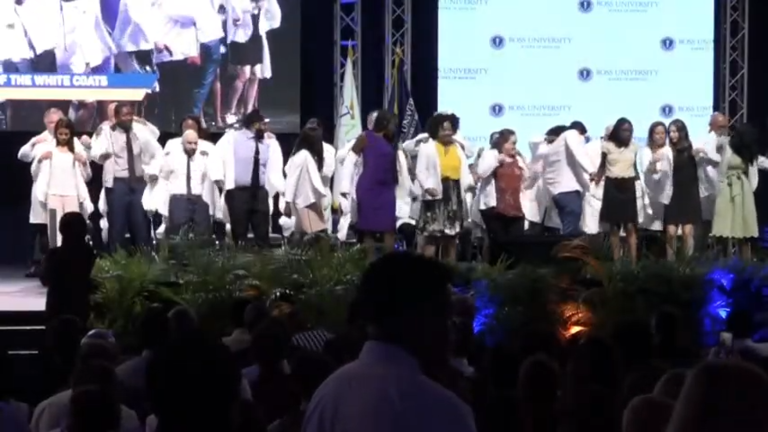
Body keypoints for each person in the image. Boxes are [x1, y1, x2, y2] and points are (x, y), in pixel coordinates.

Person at [303, 252, 476, 432]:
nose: (452, 331)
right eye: (446, 316)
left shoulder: (328, 395)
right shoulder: (445, 411)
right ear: (422, 318)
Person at [90, 103, 163, 252]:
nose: (128, 118)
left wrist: (140, 121)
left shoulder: (140, 130)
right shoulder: (106, 131)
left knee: (141, 225)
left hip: (139, 183)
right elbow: (95, 150)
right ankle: (115, 263)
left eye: (130, 114)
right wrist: (102, 155)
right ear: (116, 117)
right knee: (117, 226)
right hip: (117, 184)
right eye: (125, 115)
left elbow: (156, 136)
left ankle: (145, 263)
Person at [217, 108, 285, 246]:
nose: (266, 127)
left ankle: (262, 262)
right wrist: (220, 181)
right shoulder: (232, 138)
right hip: (238, 193)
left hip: (260, 192)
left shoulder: (268, 141)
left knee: (262, 233)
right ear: (254, 125)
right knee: (240, 235)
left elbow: (274, 165)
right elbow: (216, 157)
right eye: (263, 124)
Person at [341, 111, 400, 259]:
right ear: (385, 124)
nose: (395, 128)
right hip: (368, 189)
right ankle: (370, 266)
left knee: (389, 229)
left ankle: (390, 266)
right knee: (368, 230)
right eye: (393, 124)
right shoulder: (365, 137)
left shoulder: (389, 142)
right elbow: (349, 160)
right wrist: (344, 188)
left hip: (386, 191)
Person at [416, 113, 473, 262]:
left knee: (451, 238)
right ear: (435, 130)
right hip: (435, 195)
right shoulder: (427, 147)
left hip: (454, 195)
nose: (448, 133)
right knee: (432, 237)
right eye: (443, 130)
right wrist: (427, 187)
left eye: (450, 129)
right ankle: (428, 272)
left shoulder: (458, 148)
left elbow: (470, 154)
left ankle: (450, 273)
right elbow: (420, 171)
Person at [18, 109, 66, 277]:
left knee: (57, 229)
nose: (55, 125)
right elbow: (22, 156)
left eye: (58, 121)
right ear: (46, 123)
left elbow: (85, 157)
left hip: (61, 191)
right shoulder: (41, 140)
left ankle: (57, 265)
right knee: (38, 229)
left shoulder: (68, 137)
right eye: (52, 122)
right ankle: (33, 265)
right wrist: (33, 142)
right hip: (40, 191)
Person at [32, 118, 94, 247]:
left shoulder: (76, 152)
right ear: (56, 133)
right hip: (53, 196)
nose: (63, 137)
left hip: (72, 196)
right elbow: (34, 174)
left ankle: (73, 258)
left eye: (66, 134)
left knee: (73, 230)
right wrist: (39, 160)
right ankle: (56, 258)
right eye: (60, 134)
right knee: (54, 232)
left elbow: (87, 177)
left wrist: (84, 163)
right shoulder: (49, 151)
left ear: (70, 133)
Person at [159, 116, 225, 232]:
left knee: (202, 234)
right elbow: (164, 172)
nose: (189, 130)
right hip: (178, 196)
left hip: (201, 197)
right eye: (186, 128)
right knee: (177, 234)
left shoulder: (208, 147)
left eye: (192, 128)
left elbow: (216, 171)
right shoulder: (172, 145)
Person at [475, 129, 529, 264]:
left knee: (516, 244)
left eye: (515, 144)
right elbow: (481, 173)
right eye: (512, 143)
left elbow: (527, 179)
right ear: (502, 143)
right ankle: (496, 276)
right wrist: (497, 162)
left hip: (516, 208)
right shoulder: (490, 154)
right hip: (494, 208)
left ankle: (513, 276)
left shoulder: (517, 158)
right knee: (498, 244)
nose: (514, 147)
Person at [224, 0, 282, 123]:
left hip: (256, 36)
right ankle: (230, 111)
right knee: (243, 75)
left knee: (256, 74)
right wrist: (254, 6)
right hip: (240, 38)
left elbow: (274, 12)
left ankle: (248, 112)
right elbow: (236, 10)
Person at [593, 118, 640, 264]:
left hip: (628, 186)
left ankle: (633, 264)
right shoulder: (607, 146)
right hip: (612, 186)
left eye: (630, 131)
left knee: (630, 226)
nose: (628, 134)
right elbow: (602, 166)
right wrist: (596, 178)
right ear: (617, 131)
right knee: (614, 227)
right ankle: (617, 263)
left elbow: (635, 168)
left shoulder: (634, 147)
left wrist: (640, 187)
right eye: (624, 131)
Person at [710, 123, 759, 259]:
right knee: (723, 225)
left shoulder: (749, 151)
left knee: (743, 229)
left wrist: (750, 188)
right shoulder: (727, 145)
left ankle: (745, 266)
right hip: (726, 187)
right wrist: (718, 131)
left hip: (743, 189)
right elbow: (715, 145)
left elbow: (758, 165)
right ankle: (721, 263)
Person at [40, 213, 97, 325]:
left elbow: (44, 279)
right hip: (81, 310)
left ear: (61, 230)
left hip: (56, 311)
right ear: (85, 231)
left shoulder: (53, 255)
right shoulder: (90, 255)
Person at [658, 119, 703, 259]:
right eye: (670, 132)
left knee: (687, 232)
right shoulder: (667, 151)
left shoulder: (692, 148)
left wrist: (700, 154)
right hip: (673, 194)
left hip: (689, 194)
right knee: (670, 232)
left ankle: (687, 266)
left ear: (681, 132)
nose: (672, 135)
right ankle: (670, 265)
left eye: (675, 131)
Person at [541, 121, 594, 236]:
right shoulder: (571, 134)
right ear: (580, 133)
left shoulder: (555, 147)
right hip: (568, 191)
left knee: (568, 228)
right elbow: (579, 153)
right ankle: (568, 253)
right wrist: (592, 171)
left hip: (558, 192)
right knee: (571, 232)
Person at [283, 124, 329, 235]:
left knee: (306, 234)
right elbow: (292, 180)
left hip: (309, 201)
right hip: (305, 202)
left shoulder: (307, 156)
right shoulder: (302, 156)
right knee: (317, 236)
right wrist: (287, 203)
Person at [524, 125, 567, 234]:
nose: (549, 145)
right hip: (541, 202)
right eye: (547, 142)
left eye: (552, 142)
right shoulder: (541, 156)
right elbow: (532, 175)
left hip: (560, 206)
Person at [304, 119, 337, 231]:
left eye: (314, 130)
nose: (312, 134)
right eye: (309, 130)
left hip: (322, 192)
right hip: (305, 194)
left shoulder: (329, 150)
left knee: (323, 230)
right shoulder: (300, 149)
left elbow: (327, 173)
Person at [638, 121, 669, 233]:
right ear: (651, 135)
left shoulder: (668, 150)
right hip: (649, 194)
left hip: (665, 195)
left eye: (663, 133)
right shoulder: (645, 151)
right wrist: (653, 163)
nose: (660, 136)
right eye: (657, 133)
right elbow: (646, 171)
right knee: (649, 229)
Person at [581, 125, 611, 235]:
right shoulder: (589, 148)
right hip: (593, 193)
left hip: (613, 193)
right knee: (591, 231)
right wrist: (591, 183)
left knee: (611, 232)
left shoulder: (621, 149)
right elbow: (582, 170)